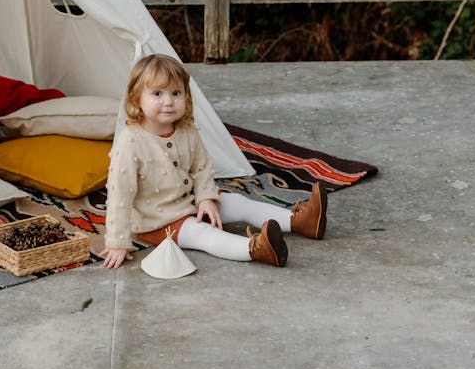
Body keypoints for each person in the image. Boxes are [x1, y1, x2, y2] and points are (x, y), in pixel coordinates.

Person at [99, 53, 327, 269]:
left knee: (238, 202)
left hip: (190, 202)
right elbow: (120, 195)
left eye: (176, 93)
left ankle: (300, 221)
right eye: (157, 94)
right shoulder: (130, 142)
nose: (168, 101)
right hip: (156, 221)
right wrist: (117, 243)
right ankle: (255, 249)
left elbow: (201, 168)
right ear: (136, 99)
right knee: (203, 234)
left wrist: (206, 198)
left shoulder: (186, 130)